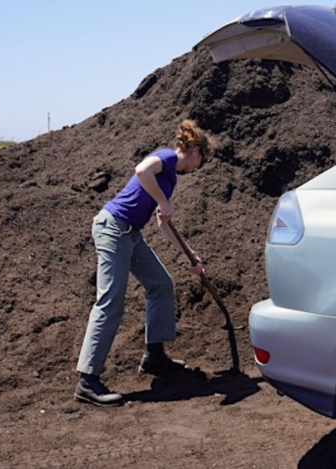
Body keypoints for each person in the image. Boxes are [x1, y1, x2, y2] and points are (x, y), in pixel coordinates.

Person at [74, 119, 214, 407]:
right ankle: (87, 381)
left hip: (130, 234)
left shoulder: (171, 177)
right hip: (113, 228)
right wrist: (163, 200)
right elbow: (141, 170)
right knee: (111, 301)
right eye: (201, 161)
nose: (197, 169)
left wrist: (190, 254)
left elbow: (164, 225)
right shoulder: (166, 157)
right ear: (196, 151)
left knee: (160, 283)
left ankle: (154, 357)